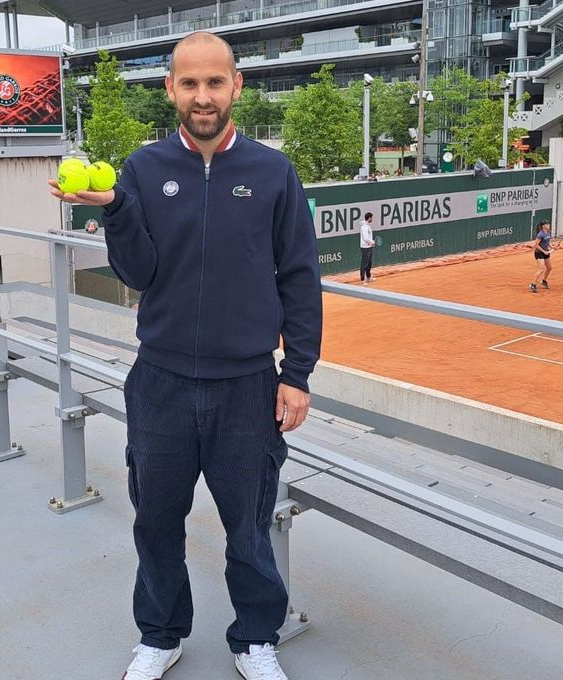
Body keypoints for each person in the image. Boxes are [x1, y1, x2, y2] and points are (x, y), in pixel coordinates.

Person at [49, 31, 322, 680]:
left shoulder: (273, 173)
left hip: (248, 389)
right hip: (161, 384)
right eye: (190, 83)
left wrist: (298, 375)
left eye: (215, 82)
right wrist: (116, 207)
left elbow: (299, 279)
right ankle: (161, 635)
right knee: (156, 525)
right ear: (170, 89)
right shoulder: (142, 171)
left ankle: (255, 640)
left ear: (237, 87)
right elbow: (138, 272)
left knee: (249, 531)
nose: (203, 96)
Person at [529, 220, 553, 293]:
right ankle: (533, 284)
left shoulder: (548, 233)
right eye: (547, 224)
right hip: (539, 253)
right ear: (543, 226)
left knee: (549, 268)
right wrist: (544, 251)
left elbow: (548, 241)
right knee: (541, 269)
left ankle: (544, 281)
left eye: (548, 224)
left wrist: (552, 246)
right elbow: (536, 245)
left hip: (546, 252)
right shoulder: (540, 234)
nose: (549, 225)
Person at [358, 211, 375, 285]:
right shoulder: (364, 227)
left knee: (369, 263)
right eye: (371, 218)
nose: (372, 219)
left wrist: (371, 243)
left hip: (369, 246)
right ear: (369, 218)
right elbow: (365, 238)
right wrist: (372, 242)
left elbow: (368, 237)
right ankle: (362, 280)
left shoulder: (368, 226)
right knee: (364, 263)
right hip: (365, 247)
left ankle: (368, 277)